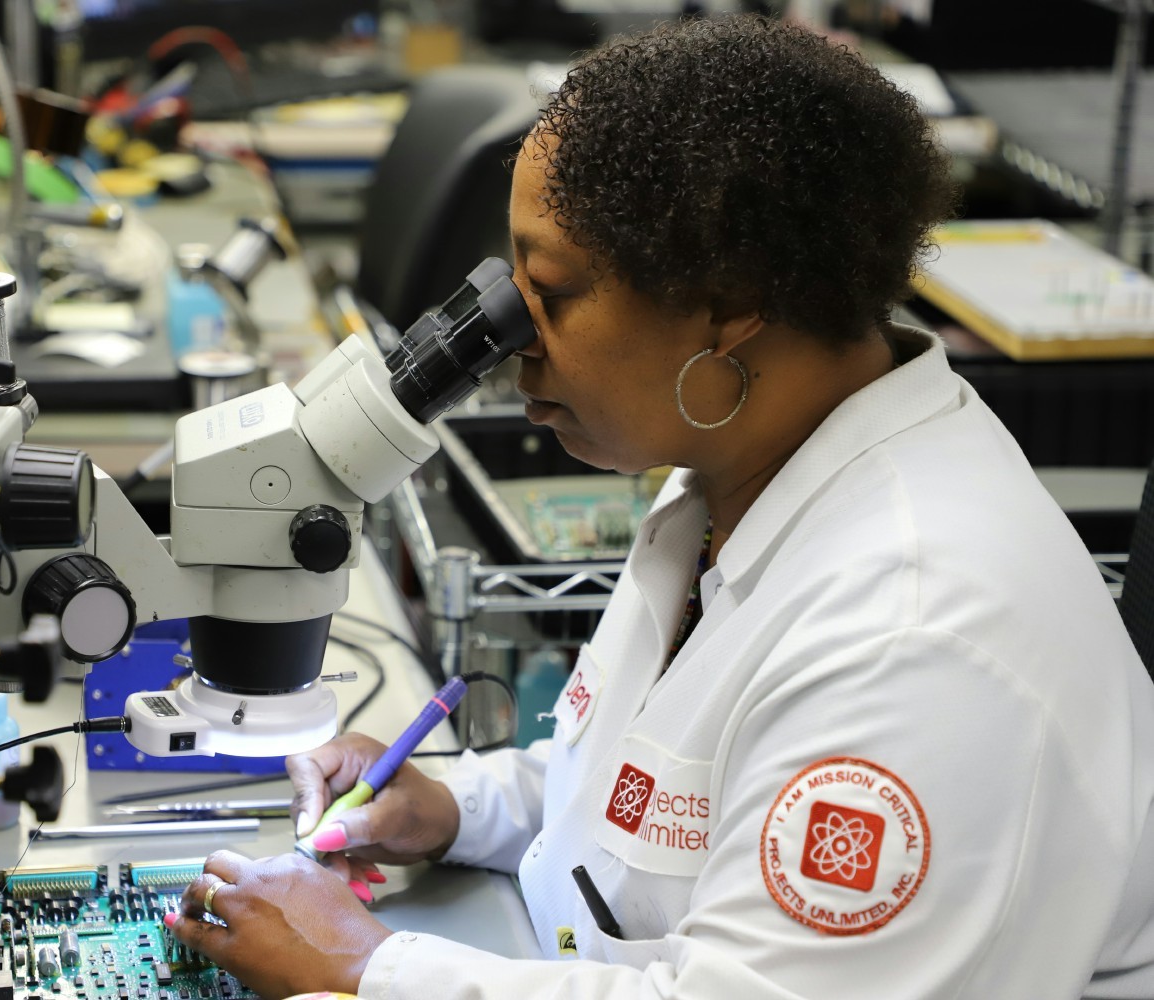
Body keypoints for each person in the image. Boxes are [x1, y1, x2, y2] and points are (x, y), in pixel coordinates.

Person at [163, 15, 1154, 999]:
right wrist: (455, 803)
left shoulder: (919, 638)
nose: (512, 336)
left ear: (728, 303)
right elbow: (657, 790)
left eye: (547, 288)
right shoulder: (736, 472)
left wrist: (366, 966)